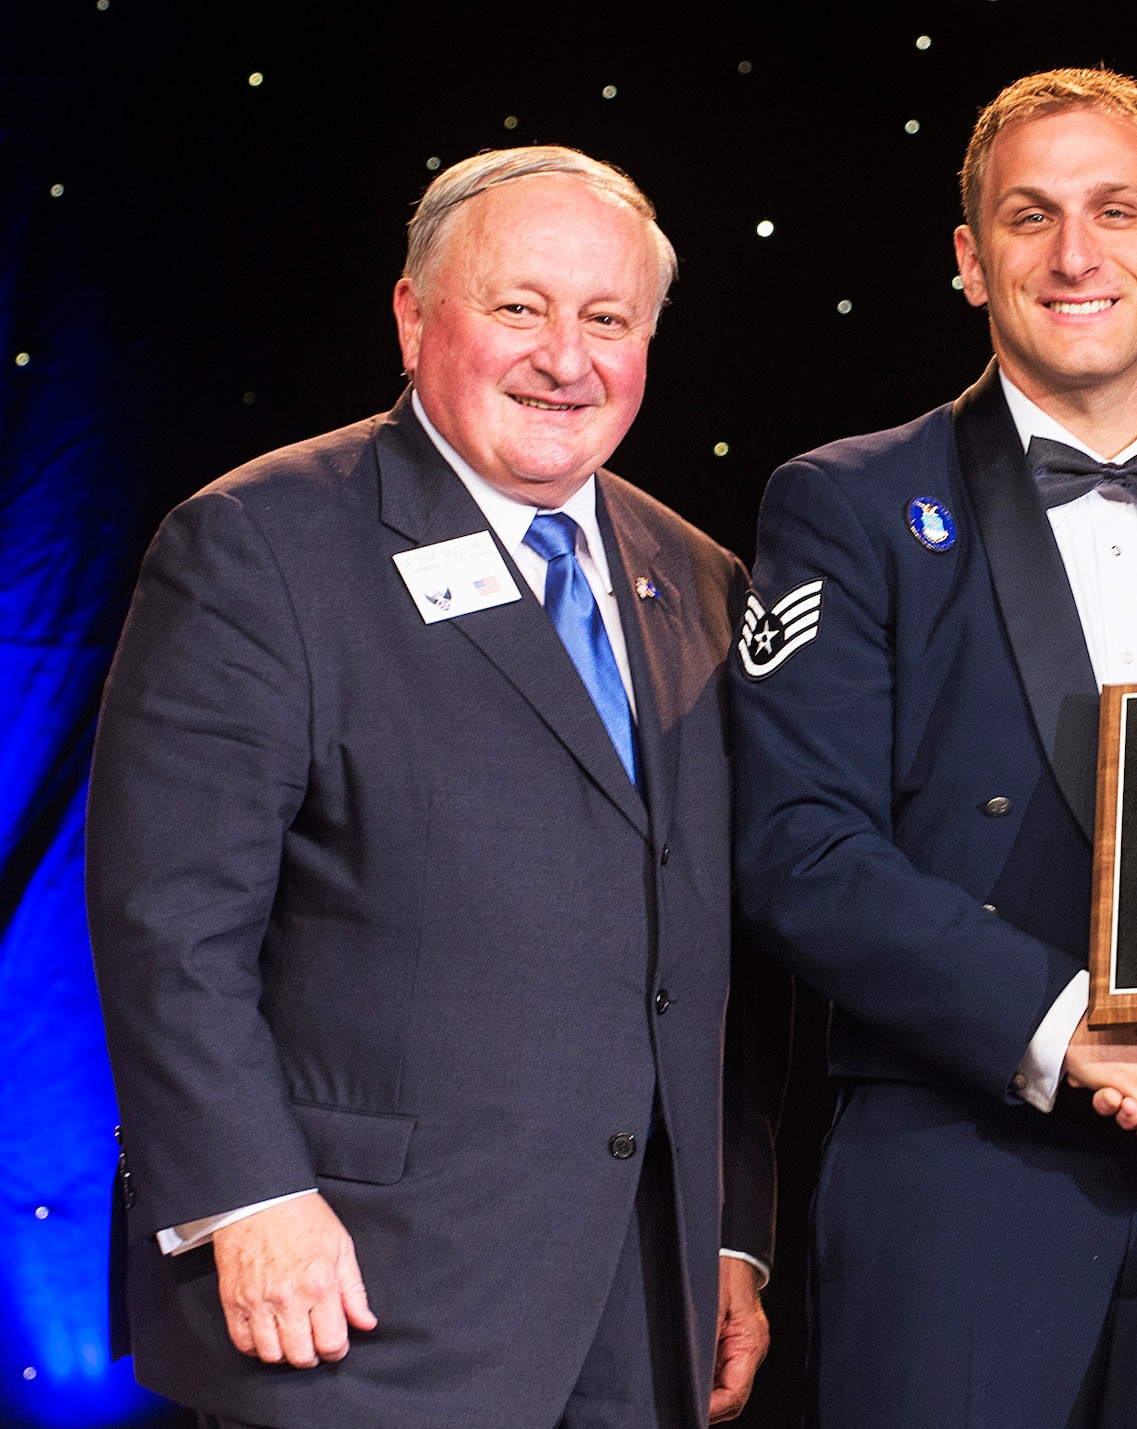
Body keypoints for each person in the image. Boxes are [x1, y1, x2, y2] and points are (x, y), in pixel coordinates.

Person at [87, 146, 783, 1429]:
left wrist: (731, 1232)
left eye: (607, 319)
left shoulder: (697, 578)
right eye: (519, 307)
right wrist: (247, 1197)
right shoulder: (259, 544)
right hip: (355, 1300)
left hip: (640, 1312)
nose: (564, 359)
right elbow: (168, 925)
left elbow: (715, 946)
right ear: (413, 316)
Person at [730, 69, 1137, 1429]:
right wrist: (1072, 1031)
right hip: (962, 1187)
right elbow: (799, 849)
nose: (1075, 255)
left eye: (1115, 211)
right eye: (1031, 217)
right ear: (971, 261)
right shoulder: (846, 501)